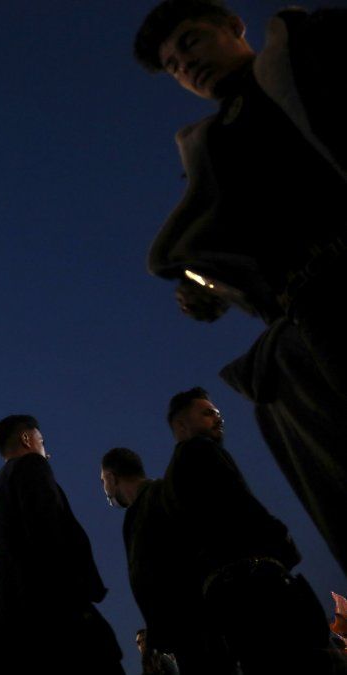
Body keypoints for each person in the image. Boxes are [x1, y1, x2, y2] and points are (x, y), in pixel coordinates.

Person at [134, 0, 347, 577]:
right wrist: (213, 289)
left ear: (234, 26)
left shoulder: (310, 54)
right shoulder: (215, 142)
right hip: (306, 312)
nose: (187, 66)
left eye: (191, 43)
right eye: (174, 64)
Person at [162, 387, 345, 674]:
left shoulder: (170, 483)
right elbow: (239, 503)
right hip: (256, 584)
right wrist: (281, 539)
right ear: (181, 424)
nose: (218, 418)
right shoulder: (200, 450)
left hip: (224, 596)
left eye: (218, 413)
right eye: (207, 413)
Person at [0, 415, 123, 675]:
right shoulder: (31, 466)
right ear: (26, 439)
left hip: (18, 631)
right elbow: (50, 533)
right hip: (57, 618)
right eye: (41, 441)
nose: (47, 451)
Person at [101, 446, 235, 675]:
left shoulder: (162, 495)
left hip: (198, 628)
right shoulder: (139, 512)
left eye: (103, 480)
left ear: (112, 478)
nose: (104, 488)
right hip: (184, 636)